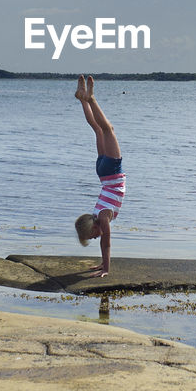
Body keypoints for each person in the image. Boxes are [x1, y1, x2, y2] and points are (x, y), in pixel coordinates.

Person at [73, 76, 124, 278]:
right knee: (98, 130)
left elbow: (106, 242)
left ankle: (90, 99)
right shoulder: (98, 214)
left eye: (92, 236)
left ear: (94, 227)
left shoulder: (103, 218)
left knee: (107, 129)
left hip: (111, 171)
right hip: (103, 173)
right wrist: (102, 264)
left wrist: (106, 269)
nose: (95, 238)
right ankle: (82, 99)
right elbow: (104, 241)